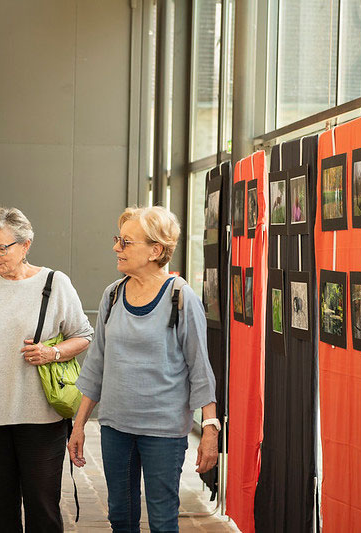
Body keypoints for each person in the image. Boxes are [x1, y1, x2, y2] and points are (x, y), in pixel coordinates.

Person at [68, 206, 219, 532]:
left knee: (163, 520)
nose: (116, 248)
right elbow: (97, 364)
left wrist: (210, 428)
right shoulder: (112, 295)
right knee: (120, 516)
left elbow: (200, 368)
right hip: (115, 427)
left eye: (126, 242)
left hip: (164, 431)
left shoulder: (182, 298)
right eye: (118, 240)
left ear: (156, 250)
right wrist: (79, 424)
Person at [0, 207, 93, 532]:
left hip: (41, 419)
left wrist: (52, 352)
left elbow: (84, 335)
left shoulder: (55, 284)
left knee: (43, 510)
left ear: (26, 244)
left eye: (3, 247)